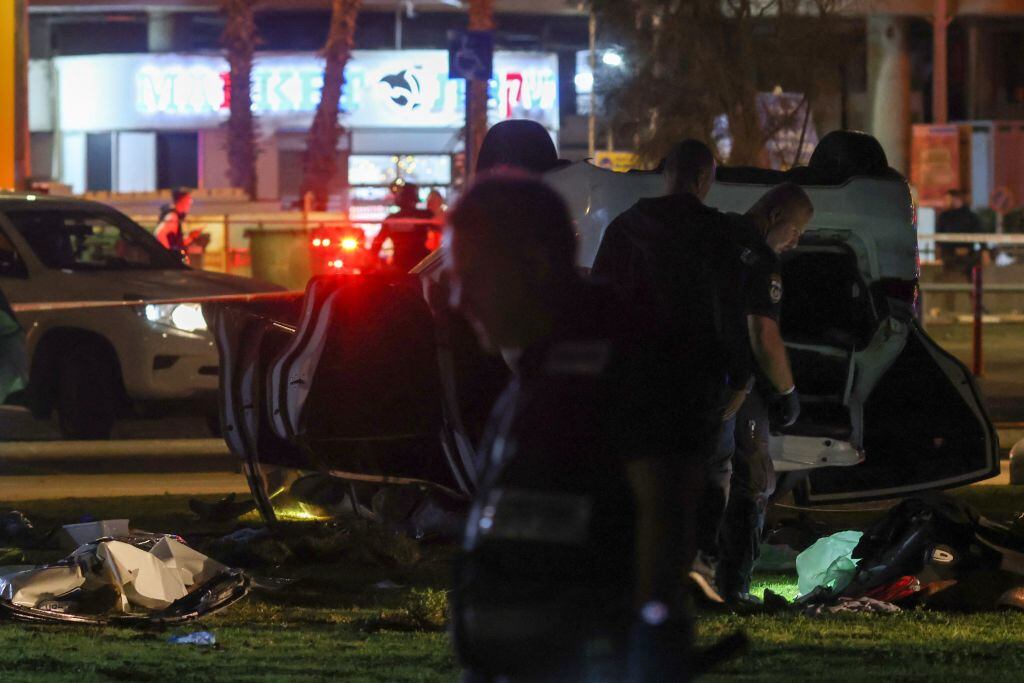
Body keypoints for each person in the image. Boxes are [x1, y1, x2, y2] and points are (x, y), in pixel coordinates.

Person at [443, 174, 702, 682]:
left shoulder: (621, 357)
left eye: (471, 276)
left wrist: (653, 629)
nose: (458, 299)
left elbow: (666, 499)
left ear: (535, 265)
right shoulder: (537, 376)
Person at [591, 139, 753, 596]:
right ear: (705, 179)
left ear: (666, 174)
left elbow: (601, 305)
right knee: (698, 476)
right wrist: (740, 377)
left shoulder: (626, 228)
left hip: (636, 376)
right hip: (697, 378)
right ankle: (692, 568)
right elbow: (733, 310)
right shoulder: (718, 234)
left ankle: (635, 568)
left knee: (637, 472)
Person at [715, 183, 813, 603]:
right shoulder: (761, 259)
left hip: (686, 374)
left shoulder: (715, 236)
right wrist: (787, 391)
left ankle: (689, 577)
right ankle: (732, 586)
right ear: (774, 216)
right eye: (796, 229)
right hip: (734, 382)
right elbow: (763, 333)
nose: (797, 240)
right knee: (753, 481)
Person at [371, 183, 437, 272]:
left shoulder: (391, 218)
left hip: (400, 264)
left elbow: (377, 243)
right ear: (415, 199)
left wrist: (371, 262)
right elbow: (441, 228)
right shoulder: (423, 215)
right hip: (422, 263)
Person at [936, 189, 986, 279]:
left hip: (968, 255)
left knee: (972, 277)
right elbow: (939, 237)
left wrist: (984, 251)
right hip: (950, 255)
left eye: (947, 199)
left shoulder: (971, 217)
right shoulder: (944, 217)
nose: (945, 202)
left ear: (955, 199)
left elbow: (980, 234)